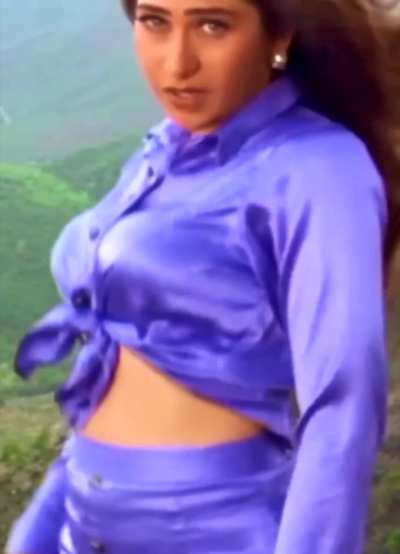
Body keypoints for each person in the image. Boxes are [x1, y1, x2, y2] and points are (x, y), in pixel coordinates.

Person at [6, 0, 400, 553]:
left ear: (280, 33)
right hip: (84, 513)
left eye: (213, 25)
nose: (177, 63)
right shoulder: (164, 149)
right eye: (154, 21)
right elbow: (112, 362)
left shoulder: (317, 169)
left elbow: (343, 409)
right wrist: (43, 523)